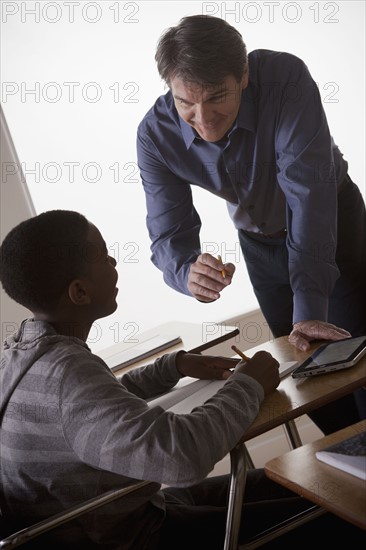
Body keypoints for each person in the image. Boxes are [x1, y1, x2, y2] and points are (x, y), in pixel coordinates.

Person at [0, 210, 362, 550]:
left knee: (306, 475)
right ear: (79, 292)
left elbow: (95, 411)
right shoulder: (67, 377)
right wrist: (248, 384)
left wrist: (174, 366)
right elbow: (180, 459)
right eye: (105, 257)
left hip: (127, 511)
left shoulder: (26, 356)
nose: (114, 264)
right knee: (343, 507)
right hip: (137, 536)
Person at [136, 14, 366, 434]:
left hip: (331, 224)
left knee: (357, 361)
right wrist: (188, 272)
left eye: (216, 97)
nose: (203, 119)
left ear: (243, 75)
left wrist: (310, 302)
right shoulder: (154, 135)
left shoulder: (285, 77)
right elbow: (168, 231)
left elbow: (307, 195)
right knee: (307, 373)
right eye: (186, 101)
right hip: (258, 245)